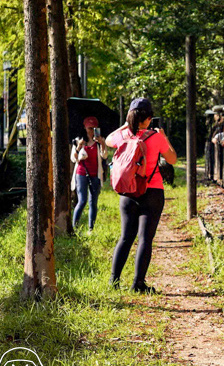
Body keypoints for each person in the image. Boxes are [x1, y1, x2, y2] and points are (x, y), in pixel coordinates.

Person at [105, 98, 178, 293]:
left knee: (126, 237)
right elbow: (172, 159)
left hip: (128, 192)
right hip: (152, 192)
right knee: (145, 238)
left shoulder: (121, 136)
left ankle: (114, 281)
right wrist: (164, 136)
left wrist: (126, 126)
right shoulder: (155, 137)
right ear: (148, 118)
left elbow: (107, 139)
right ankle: (138, 284)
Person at [71, 117, 109, 232]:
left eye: (94, 128)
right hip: (81, 173)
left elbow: (105, 156)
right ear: (84, 127)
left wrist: (102, 143)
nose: (92, 131)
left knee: (93, 202)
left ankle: (90, 229)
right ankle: (74, 228)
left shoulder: (98, 142)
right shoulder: (78, 140)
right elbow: (73, 158)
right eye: (89, 128)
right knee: (82, 201)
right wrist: (79, 146)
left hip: (95, 174)